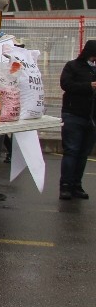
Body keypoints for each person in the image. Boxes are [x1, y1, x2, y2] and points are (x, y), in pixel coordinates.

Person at [58, 39, 96, 200]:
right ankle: (65, 186)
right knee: (72, 151)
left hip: (91, 117)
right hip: (73, 114)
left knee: (83, 153)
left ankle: (76, 185)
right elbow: (66, 84)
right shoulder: (73, 66)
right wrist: (89, 85)